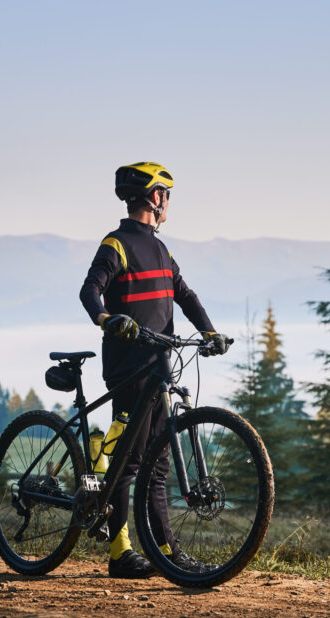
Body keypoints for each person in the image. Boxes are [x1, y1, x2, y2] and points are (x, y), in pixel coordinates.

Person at [79, 161, 230, 579]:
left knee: (158, 465)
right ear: (156, 197)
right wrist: (106, 318)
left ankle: (167, 551)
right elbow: (90, 289)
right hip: (128, 365)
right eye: (167, 195)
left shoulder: (162, 251)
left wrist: (210, 332)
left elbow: (184, 294)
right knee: (129, 463)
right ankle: (120, 554)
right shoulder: (116, 243)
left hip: (160, 364)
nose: (168, 203)